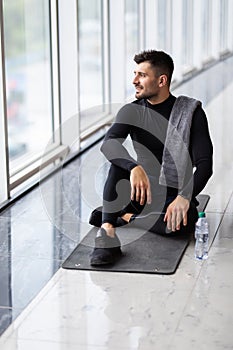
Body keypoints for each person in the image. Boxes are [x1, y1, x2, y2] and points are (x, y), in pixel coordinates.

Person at [89, 49, 213, 266]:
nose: (134, 81)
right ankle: (107, 231)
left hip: (171, 194)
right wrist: (134, 167)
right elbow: (109, 143)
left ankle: (126, 218)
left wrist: (184, 197)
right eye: (135, 74)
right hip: (140, 191)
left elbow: (205, 165)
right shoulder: (132, 111)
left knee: (185, 222)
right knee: (119, 164)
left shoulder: (191, 112)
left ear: (162, 80)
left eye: (142, 75)